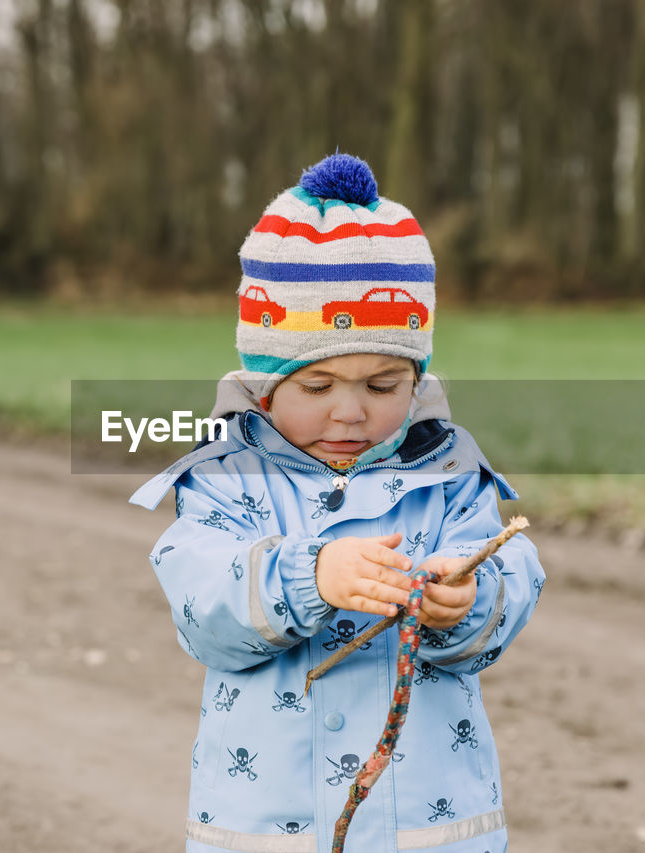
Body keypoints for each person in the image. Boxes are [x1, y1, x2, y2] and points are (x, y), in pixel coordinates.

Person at [129, 153, 546, 853]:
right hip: (268, 832)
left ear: (415, 379)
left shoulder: (448, 470)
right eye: (317, 387)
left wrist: (469, 598)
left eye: (382, 386)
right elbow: (201, 602)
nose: (350, 412)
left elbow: (515, 580)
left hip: (429, 830)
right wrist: (308, 576)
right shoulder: (227, 475)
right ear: (262, 385)